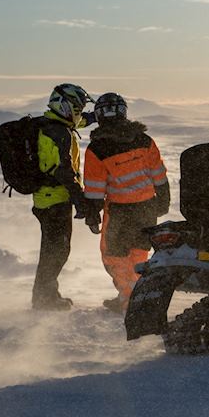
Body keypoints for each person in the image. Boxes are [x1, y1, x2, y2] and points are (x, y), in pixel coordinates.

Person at [82, 93, 170, 313]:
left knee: (114, 255)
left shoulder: (97, 149)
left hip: (120, 211)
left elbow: (94, 189)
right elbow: (158, 173)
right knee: (139, 253)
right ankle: (136, 295)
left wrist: (93, 216)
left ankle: (129, 300)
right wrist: (164, 200)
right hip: (148, 207)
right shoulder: (144, 140)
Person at [32, 83, 95, 310]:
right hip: (54, 200)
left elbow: (78, 122)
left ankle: (45, 295)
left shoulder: (54, 124)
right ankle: (44, 300)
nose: (79, 112)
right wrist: (82, 202)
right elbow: (65, 173)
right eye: (77, 108)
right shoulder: (59, 133)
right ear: (65, 105)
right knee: (56, 251)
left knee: (54, 250)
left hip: (49, 199)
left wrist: (94, 117)